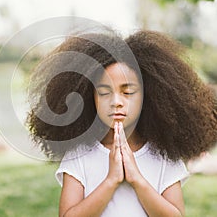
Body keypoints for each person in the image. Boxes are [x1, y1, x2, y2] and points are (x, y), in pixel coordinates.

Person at [26, 29, 217, 216]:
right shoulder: (79, 155)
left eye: (127, 92)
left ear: (148, 97)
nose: (116, 101)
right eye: (104, 92)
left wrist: (136, 179)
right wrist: (111, 180)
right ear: (89, 97)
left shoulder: (164, 155)